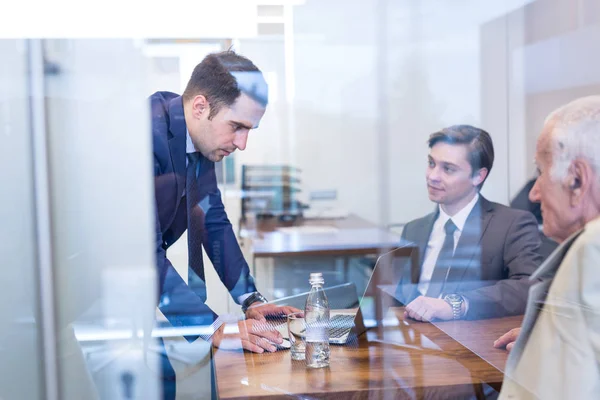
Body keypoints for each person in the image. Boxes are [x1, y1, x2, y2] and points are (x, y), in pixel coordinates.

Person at [151, 51, 298, 397]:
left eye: (250, 129)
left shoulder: (196, 139)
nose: (243, 144)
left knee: (161, 378)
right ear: (200, 107)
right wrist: (215, 328)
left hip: (134, 286)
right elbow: (141, 252)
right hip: (83, 292)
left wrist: (252, 299)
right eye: (237, 127)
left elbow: (212, 220)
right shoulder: (146, 136)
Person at [494, 96, 600, 399]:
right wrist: (544, 337)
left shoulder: (591, 248)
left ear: (577, 180)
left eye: (540, 171)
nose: (535, 192)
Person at [397, 125, 543, 321]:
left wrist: (456, 304)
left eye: (447, 169)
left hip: (470, 344)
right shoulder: (414, 229)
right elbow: (396, 298)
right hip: (412, 341)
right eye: (431, 163)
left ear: (478, 176)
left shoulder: (512, 225)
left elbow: (530, 286)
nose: (432, 176)